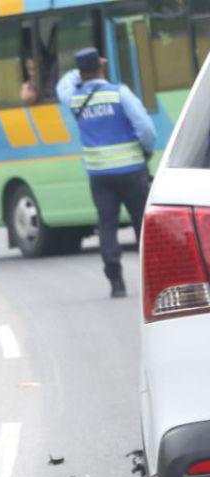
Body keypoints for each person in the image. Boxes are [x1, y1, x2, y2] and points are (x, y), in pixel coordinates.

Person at [57, 48, 156, 298]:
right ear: (102, 67)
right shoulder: (119, 93)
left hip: (99, 175)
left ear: (81, 72)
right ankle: (153, 279)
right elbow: (146, 129)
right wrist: (146, 150)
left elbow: (62, 85)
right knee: (143, 225)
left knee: (107, 226)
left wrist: (77, 70)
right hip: (132, 170)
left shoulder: (75, 98)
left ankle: (116, 282)